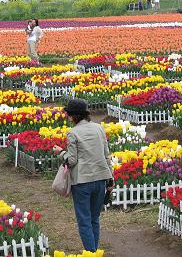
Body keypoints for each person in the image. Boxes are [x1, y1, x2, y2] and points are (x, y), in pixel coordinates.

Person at [53, 99, 114, 253]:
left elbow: (72, 160)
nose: (67, 117)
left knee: (84, 221)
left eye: (68, 115)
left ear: (73, 116)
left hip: (82, 182)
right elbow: (107, 156)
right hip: (101, 179)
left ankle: (91, 253)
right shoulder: (99, 128)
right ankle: (94, 251)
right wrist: (110, 177)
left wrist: (60, 152)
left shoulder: (73, 133)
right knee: (94, 219)